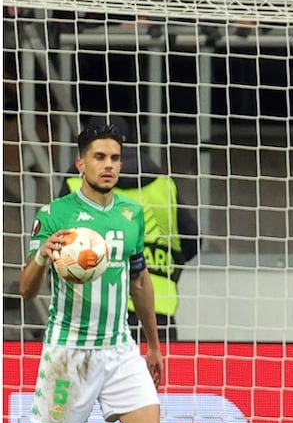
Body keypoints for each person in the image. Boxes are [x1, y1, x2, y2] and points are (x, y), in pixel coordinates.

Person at [19, 123, 180, 423]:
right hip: (68, 352)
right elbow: (25, 288)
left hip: (120, 347)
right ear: (80, 164)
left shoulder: (131, 215)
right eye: (100, 158)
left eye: (115, 158)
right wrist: (43, 257)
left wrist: (152, 343)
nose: (110, 165)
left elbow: (140, 281)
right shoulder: (54, 214)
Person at [58, 116, 199, 342]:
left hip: (95, 310)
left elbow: (58, 244)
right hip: (156, 311)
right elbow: (192, 241)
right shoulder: (163, 184)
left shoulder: (77, 183)